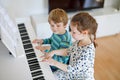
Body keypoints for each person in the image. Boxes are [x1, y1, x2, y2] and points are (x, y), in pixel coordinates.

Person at [41, 12, 98, 80]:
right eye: (70, 30)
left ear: (84, 33)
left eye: (74, 32)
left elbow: (73, 69)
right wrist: (53, 52)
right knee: (50, 76)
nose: (70, 33)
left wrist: (54, 62)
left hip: (79, 77)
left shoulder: (87, 52)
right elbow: (67, 51)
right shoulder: (78, 41)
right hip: (70, 72)